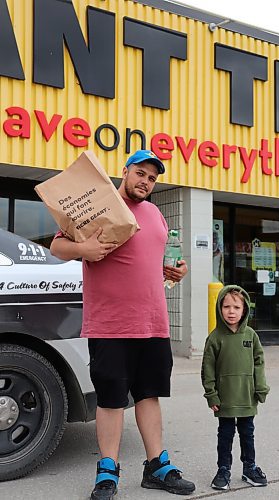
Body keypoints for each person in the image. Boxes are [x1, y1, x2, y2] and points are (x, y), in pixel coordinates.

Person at [50, 150, 195, 499]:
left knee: (149, 394)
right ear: (126, 171)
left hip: (153, 322)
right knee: (112, 399)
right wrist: (83, 247)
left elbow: (152, 262)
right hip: (110, 324)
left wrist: (175, 271)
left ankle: (157, 467)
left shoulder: (157, 214)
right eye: (141, 173)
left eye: (152, 178)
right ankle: (107, 472)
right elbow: (57, 246)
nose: (146, 181)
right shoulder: (99, 206)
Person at [201, 285, 270, 491]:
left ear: (245, 310)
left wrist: (260, 387)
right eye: (226, 306)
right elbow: (208, 368)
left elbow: (259, 362)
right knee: (225, 434)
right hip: (225, 398)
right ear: (219, 309)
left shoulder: (251, 335)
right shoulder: (215, 338)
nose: (231, 312)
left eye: (236, 307)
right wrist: (211, 395)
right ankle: (223, 470)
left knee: (248, 433)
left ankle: (250, 467)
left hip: (247, 396)